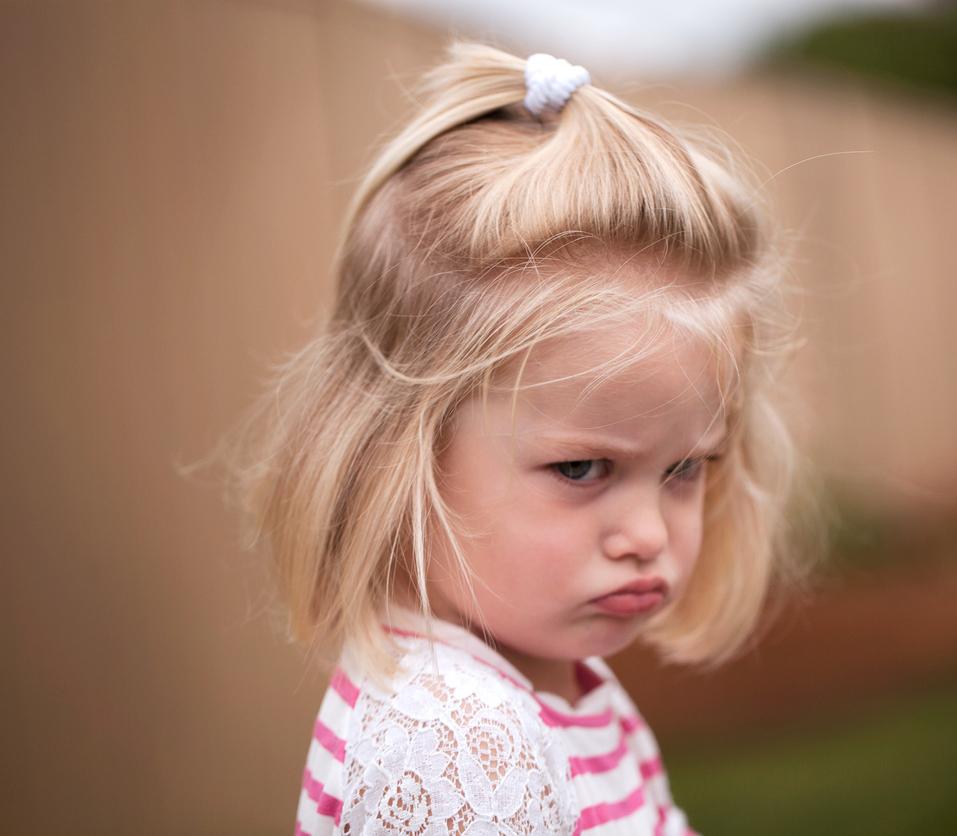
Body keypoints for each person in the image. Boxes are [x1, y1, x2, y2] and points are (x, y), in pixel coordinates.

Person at [223, 40, 818, 836]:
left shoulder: (547, 684)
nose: (647, 535)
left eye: (685, 467)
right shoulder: (461, 748)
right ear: (393, 451)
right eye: (581, 468)